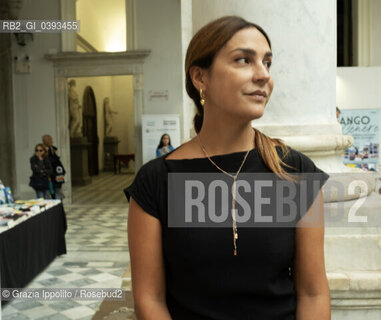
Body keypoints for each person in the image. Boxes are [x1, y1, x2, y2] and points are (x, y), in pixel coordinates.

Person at [125, 16, 330, 320]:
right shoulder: (157, 180)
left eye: (267, 63)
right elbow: (150, 300)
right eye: (244, 60)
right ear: (200, 77)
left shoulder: (294, 170)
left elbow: (313, 293)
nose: (263, 75)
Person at [42, 134, 65, 200]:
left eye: (51, 139)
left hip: (57, 175)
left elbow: (57, 162)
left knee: (58, 192)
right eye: (49, 140)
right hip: (50, 176)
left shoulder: (53, 149)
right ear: (45, 141)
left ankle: (59, 207)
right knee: (50, 194)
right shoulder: (43, 151)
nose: (52, 141)